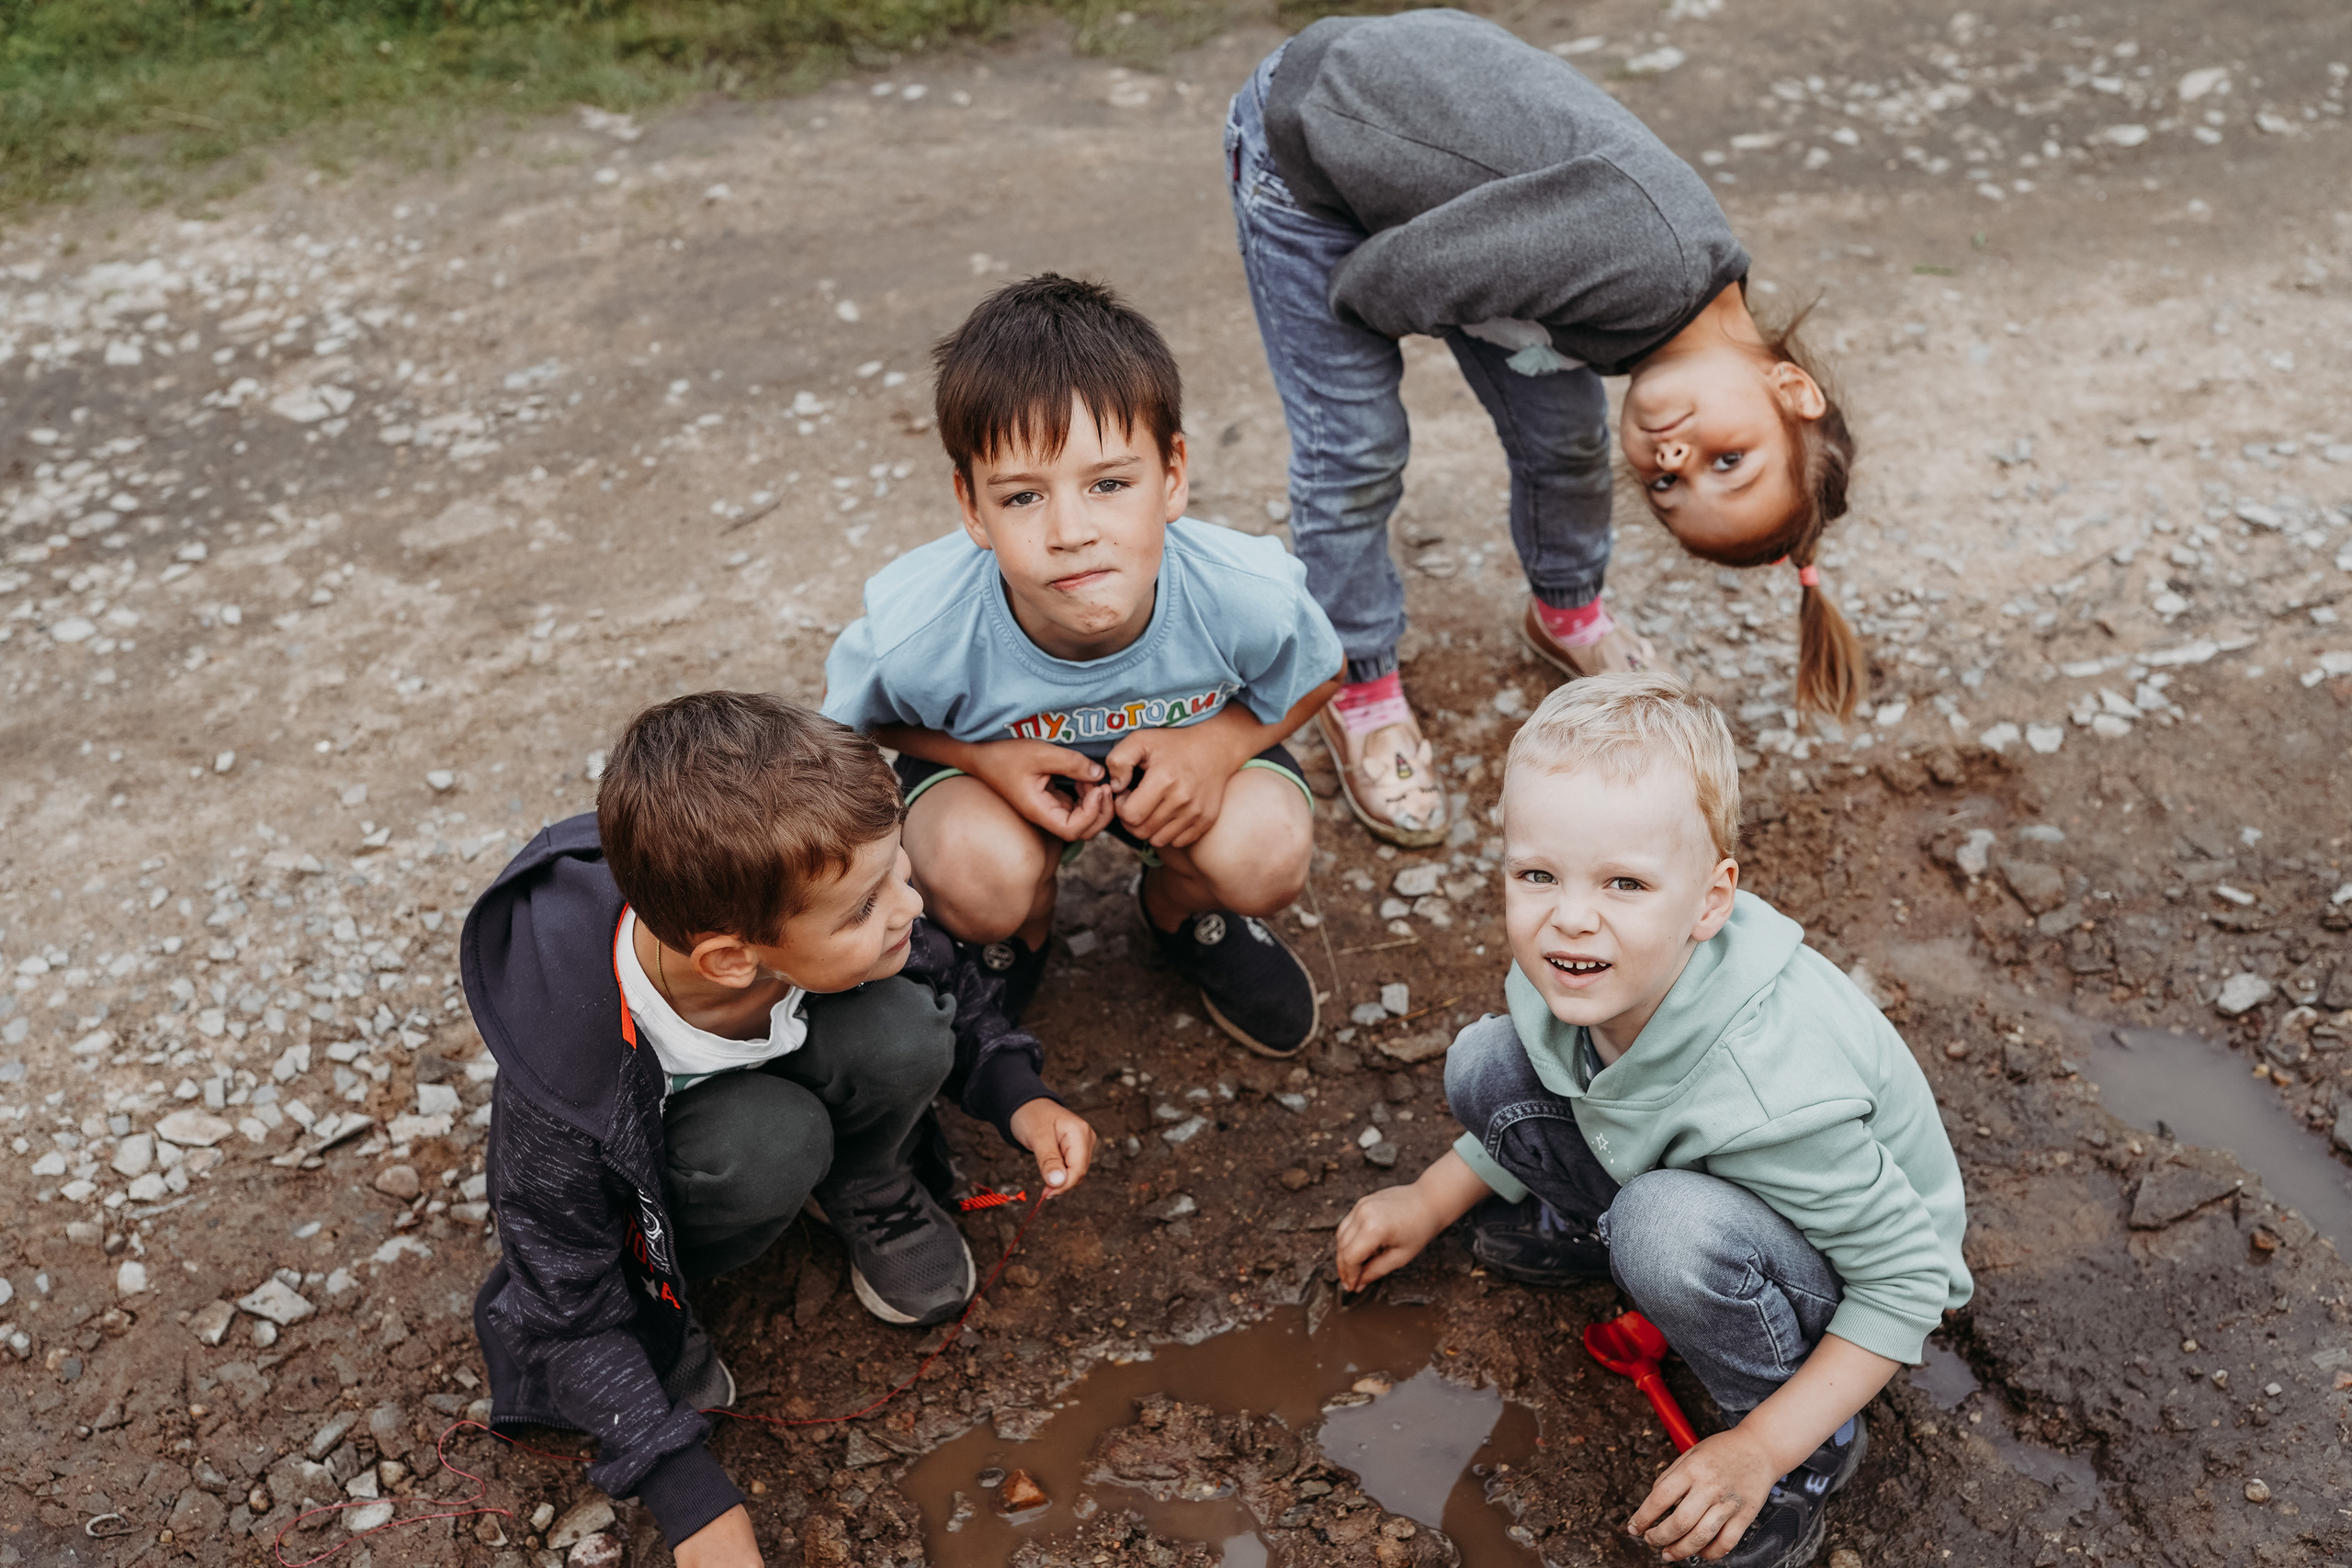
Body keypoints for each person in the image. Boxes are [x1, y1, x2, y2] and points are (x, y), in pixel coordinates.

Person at [1334, 673, 1968, 1567]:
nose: (1571, 918)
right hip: (1707, 1175)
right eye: (1537, 875)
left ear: (1710, 901)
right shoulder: (1586, 972)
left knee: (1663, 1227)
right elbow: (1576, 1086)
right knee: (1487, 1060)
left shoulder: (1770, 1085)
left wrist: (1759, 1449)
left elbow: (1911, 1281)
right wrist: (1431, 1198)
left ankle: (1806, 1447)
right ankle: (1602, 1240)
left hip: (1844, 1271)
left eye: (1624, 882)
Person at [461, 693, 1098, 1568]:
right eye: (868, 905)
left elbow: (947, 974)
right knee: (769, 1138)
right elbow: (559, 1300)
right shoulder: (565, 1068)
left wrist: (1017, 1091)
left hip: (797, 1042)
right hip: (706, 1153)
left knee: (908, 1028)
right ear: (730, 957)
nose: (911, 905)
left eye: (900, 870)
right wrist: (688, 1498)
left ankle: (867, 1181)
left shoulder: (838, 889)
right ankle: (669, 1304)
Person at [1227, 8, 1863, 850]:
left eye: (1670, 486)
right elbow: (1396, 277)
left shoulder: (1678, 319)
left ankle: (1566, 612)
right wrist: (1353, 328)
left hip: (1441, 205)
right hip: (1312, 151)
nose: (1674, 458)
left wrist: (1473, 305)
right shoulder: (1647, 257)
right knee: (1358, 448)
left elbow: (1473, 258)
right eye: (1730, 459)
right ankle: (1354, 677)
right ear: (1791, 386)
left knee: (1565, 435)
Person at [823, 274, 1345, 1059]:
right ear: (971, 506)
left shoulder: (1246, 592)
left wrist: (1218, 746)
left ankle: (1181, 907)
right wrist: (980, 757)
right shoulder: (917, 628)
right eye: (1023, 497)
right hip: (995, 791)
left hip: (1185, 782)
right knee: (973, 872)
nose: (1071, 530)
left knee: (1265, 850)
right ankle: (1018, 930)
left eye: (1108, 483)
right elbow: (842, 735)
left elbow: (1323, 671)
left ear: (1171, 475)